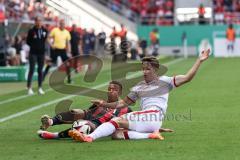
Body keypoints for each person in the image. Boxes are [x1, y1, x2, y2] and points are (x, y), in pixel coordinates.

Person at [69, 49, 210, 142]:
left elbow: (187, 77)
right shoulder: (139, 87)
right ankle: (150, 134)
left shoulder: (166, 81)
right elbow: (121, 103)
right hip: (148, 120)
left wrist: (200, 60)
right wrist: (103, 104)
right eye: (143, 69)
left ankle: (88, 137)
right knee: (116, 134)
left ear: (155, 69)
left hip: (153, 115)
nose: (144, 71)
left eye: (147, 69)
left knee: (116, 120)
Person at [38, 81, 132, 139]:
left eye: (114, 89)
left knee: (84, 126)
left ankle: (55, 135)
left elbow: (132, 123)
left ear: (120, 92)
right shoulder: (101, 102)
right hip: (90, 120)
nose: (110, 91)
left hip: (99, 127)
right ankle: (50, 121)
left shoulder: (126, 109)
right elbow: (87, 112)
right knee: (77, 112)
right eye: (109, 89)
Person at [26, 17, 48, 95]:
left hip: (41, 53)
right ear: (35, 22)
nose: (38, 22)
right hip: (33, 53)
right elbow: (28, 41)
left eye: (40, 21)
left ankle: (40, 88)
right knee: (31, 70)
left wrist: (41, 48)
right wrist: (34, 46)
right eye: (37, 21)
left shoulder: (45, 30)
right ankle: (29, 88)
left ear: (41, 22)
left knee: (40, 71)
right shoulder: (31, 31)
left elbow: (44, 41)